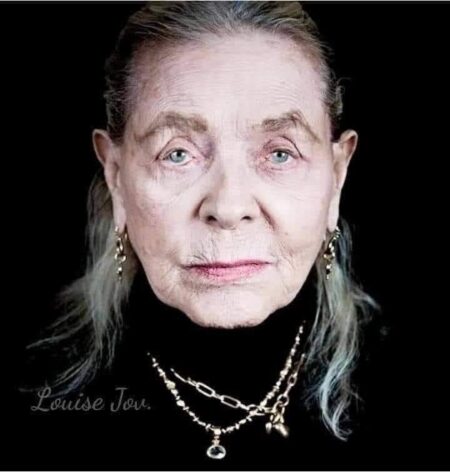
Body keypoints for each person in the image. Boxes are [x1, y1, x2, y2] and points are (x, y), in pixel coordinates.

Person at [22, 1, 379, 466]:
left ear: (337, 176)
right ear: (116, 176)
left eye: (279, 154)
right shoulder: (33, 386)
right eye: (178, 154)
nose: (228, 208)